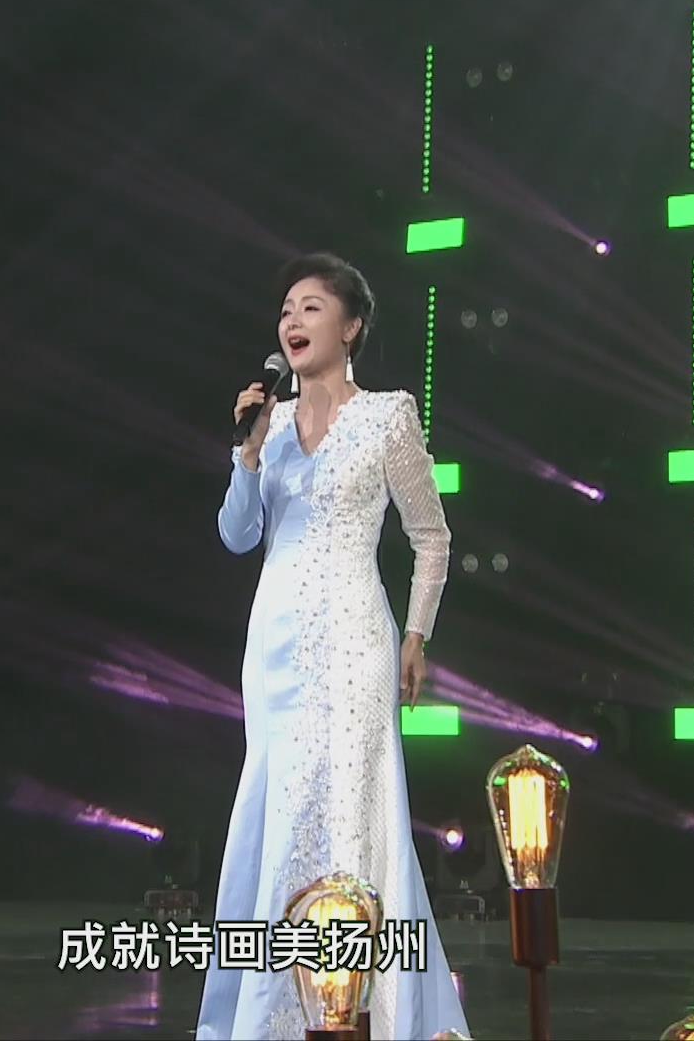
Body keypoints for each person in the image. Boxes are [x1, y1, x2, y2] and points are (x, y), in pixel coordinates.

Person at [196, 253, 471, 1040]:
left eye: (312, 307)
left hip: (355, 639)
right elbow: (237, 535)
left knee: (353, 805)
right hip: (275, 645)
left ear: (351, 328)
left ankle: (366, 1011)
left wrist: (416, 635)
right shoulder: (270, 425)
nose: (293, 320)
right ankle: (272, 1014)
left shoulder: (388, 417)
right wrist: (247, 453)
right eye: (287, 309)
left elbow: (432, 537)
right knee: (278, 804)